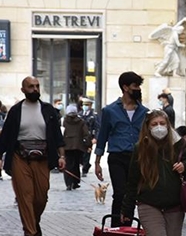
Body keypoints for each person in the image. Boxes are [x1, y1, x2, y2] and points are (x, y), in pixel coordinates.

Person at [0, 76, 66, 236]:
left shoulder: (48, 110)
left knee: (41, 197)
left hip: (43, 158)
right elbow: (6, 136)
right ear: (23, 90)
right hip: (20, 157)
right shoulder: (16, 111)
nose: (35, 89)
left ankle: (34, 222)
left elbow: (57, 136)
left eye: (37, 86)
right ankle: (29, 233)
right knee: (25, 196)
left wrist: (62, 156)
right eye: (31, 86)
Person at [94, 71, 148, 227]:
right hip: (117, 157)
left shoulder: (145, 112)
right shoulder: (110, 111)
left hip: (137, 158)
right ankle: (116, 228)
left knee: (131, 194)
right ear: (125, 87)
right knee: (119, 193)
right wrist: (97, 162)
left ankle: (127, 229)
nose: (138, 89)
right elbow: (102, 136)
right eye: (135, 86)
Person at [62, 104, 91, 190]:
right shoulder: (81, 121)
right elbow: (86, 134)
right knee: (75, 164)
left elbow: (60, 132)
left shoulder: (63, 121)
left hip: (66, 146)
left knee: (68, 165)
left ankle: (68, 183)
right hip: (78, 146)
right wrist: (88, 145)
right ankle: (75, 181)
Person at [79, 98, 99, 177]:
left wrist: (95, 138)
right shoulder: (79, 114)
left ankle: (85, 169)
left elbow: (97, 127)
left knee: (87, 153)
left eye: (87, 105)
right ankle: (85, 165)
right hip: (80, 137)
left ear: (90, 106)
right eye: (84, 105)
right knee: (80, 154)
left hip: (89, 137)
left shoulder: (94, 116)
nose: (85, 106)